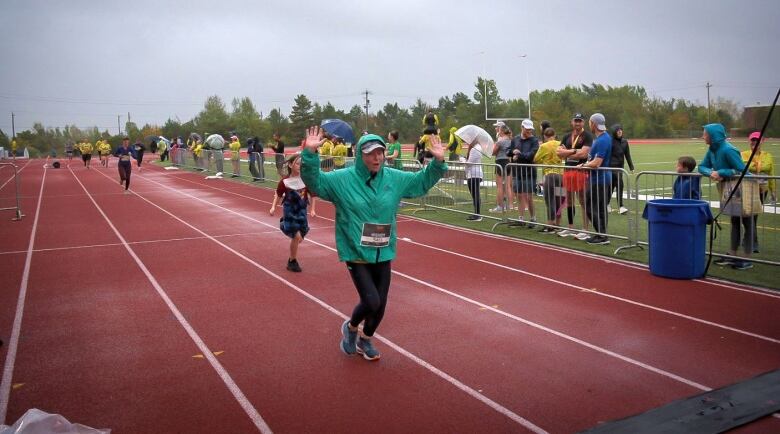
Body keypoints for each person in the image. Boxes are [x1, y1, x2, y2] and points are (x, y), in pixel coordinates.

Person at [300, 126, 446, 361]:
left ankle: (366, 339)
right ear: (360, 156)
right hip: (355, 250)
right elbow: (316, 183)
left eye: (380, 152)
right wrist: (309, 155)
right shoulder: (342, 179)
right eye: (370, 153)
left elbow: (420, 183)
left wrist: (437, 163)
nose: (376, 157)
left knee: (380, 307)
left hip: (383, 250)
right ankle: (350, 327)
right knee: (371, 300)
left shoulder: (394, 178)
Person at [699, 123, 754, 270]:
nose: (703, 136)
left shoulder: (728, 150)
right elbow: (701, 166)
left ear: (713, 136)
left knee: (748, 222)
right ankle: (733, 254)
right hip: (729, 190)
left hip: (744, 190)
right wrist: (711, 172)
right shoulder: (712, 149)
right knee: (735, 221)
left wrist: (722, 172)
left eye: (705, 134)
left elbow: (743, 171)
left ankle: (747, 258)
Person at [270, 153, 317, 272]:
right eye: (298, 163)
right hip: (289, 210)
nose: (300, 166)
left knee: (300, 237)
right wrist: (273, 207)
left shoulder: (305, 180)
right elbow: (278, 194)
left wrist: (312, 209)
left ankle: (291, 259)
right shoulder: (285, 182)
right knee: (296, 236)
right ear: (290, 165)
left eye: (302, 164)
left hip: (301, 211)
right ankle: (292, 261)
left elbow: (313, 195)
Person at [556, 113, 594, 239]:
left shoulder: (587, 136)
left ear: (583, 123)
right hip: (568, 171)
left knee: (583, 201)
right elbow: (558, 154)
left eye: (580, 121)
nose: (577, 123)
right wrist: (574, 151)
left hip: (581, 171)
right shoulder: (567, 136)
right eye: (575, 121)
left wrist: (568, 152)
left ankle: (585, 229)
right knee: (569, 200)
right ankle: (570, 228)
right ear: (572, 122)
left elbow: (583, 154)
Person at [580, 113, 612, 245]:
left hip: (599, 180)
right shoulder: (602, 138)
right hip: (600, 179)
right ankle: (602, 235)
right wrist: (584, 164)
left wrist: (583, 166)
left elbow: (597, 163)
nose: (589, 125)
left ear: (593, 123)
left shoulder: (602, 140)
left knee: (590, 207)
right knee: (599, 208)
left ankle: (601, 235)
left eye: (589, 122)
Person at [742, 131, 775, 253]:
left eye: (757, 140)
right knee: (749, 216)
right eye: (752, 140)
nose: (754, 142)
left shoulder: (768, 155)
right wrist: (759, 166)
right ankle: (753, 242)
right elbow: (745, 166)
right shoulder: (744, 154)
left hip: (762, 190)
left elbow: (770, 171)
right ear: (749, 141)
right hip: (748, 189)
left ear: (762, 141)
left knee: (753, 216)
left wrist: (773, 191)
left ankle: (747, 239)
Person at [509, 119, 540, 227]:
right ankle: (521, 219)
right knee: (519, 195)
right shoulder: (515, 139)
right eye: (527, 129)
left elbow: (531, 155)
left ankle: (533, 218)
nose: (529, 131)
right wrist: (513, 152)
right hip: (517, 172)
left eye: (530, 129)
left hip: (529, 172)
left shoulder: (534, 140)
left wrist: (519, 154)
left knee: (529, 196)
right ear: (522, 128)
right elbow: (509, 151)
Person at [534, 127, 564, 232]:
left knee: (550, 200)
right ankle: (558, 223)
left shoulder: (543, 146)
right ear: (554, 135)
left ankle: (550, 224)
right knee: (560, 199)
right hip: (561, 175)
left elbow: (536, 159)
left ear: (545, 137)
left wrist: (544, 159)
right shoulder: (560, 144)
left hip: (549, 175)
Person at [608, 124, 634, 214]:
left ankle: (607, 204)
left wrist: (631, 167)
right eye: (617, 130)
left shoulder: (624, 142)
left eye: (621, 130)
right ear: (614, 132)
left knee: (613, 186)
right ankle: (620, 206)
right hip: (611, 167)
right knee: (619, 184)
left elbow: (627, 155)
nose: (619, 131)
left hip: (620, 168)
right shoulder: (610, 141)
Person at [490, 124, 514, 213]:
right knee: (508, 186)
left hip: (500, 162)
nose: (498, 131)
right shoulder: (511, 140)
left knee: (499, 186)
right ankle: (510, 205)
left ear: (502, 131)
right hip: (508, 162)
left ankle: (500, 206)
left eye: (499, 130)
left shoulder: (500, 141)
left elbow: (493, 152)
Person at [463, 134, 484, 221]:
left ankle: (477, 215)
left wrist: (463, 160)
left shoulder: (475, 148)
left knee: (475, 194)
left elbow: (469, 163)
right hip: (473, 173)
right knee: (475, 194)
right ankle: (476, 213)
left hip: (474, 174)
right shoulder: (475, 147)